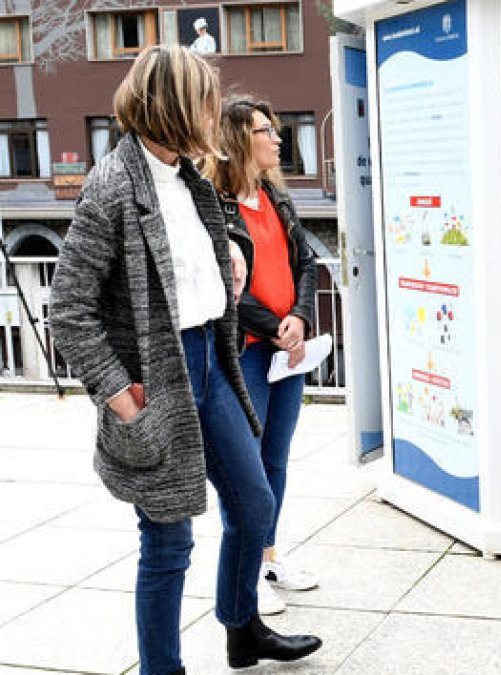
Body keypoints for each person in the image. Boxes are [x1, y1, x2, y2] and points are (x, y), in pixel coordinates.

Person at [48, 46, 321, 674]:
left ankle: (241, 628)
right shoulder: (113, 186)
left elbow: (190, 272)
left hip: (212, 365)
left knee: (254, 508)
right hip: (157, 378)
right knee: (168, 542)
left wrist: (224, 257)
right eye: (204, 96)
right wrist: (120, 395)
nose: (213, 108)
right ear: (173, 106)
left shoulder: (188, 178)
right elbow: (68, 307)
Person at [207, 95, 320, 615]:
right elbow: (225, 283)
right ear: (237, 140)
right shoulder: (214, 204)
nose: (278, 138)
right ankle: (246, 574)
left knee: (275, 458)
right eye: (265, 131)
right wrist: (274, 325)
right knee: (246, 468)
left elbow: (307, 260)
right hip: (247, 351)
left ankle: (268, 555)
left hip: (285, 350)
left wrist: (298, 316)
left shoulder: (278, 196)